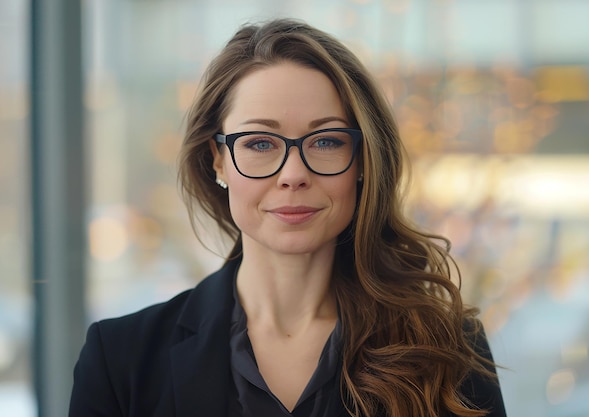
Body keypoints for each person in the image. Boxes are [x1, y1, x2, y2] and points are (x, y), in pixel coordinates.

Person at [69, 18, 507, 417]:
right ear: (218, 160)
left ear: (362, 161)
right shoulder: (120, 357)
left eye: (326, 141)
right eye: (260, 144)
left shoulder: (449, 349)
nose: (293, 175)